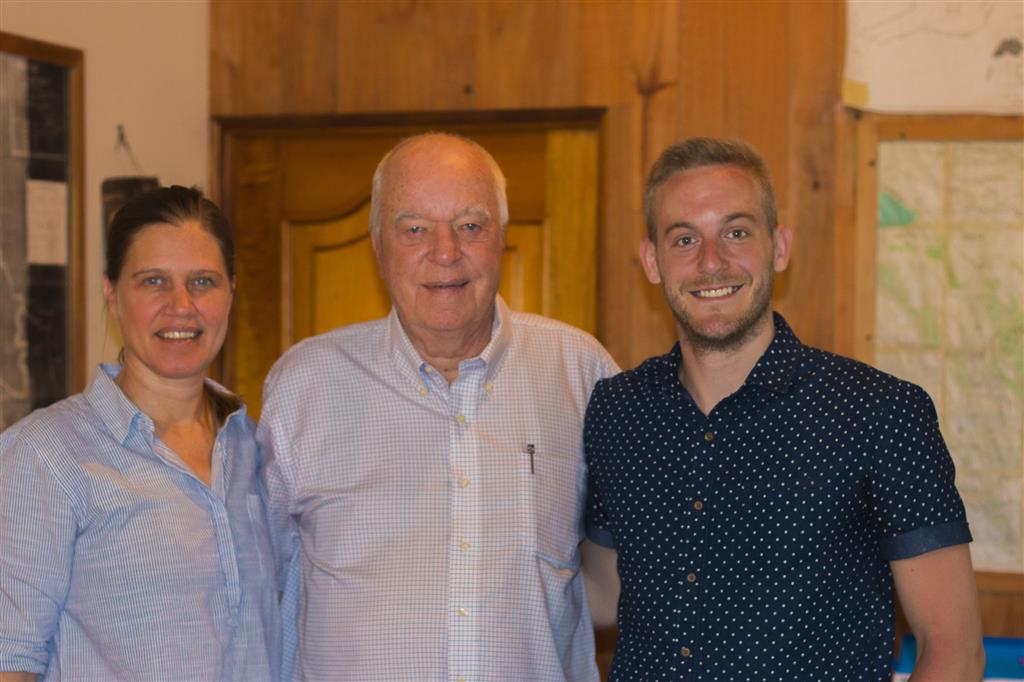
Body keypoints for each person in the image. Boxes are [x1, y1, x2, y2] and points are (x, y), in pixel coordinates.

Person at [582, 138, 986, 681]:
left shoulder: (880, 412)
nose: (710, 261)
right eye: (684, 239)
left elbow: (953, 649)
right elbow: (602, 592)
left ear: (779, 247)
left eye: (736, 232)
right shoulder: (618, 410)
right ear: (652, 261)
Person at [258, 132, 619, 681]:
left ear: (502, 239)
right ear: (378, 246)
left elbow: (633, 570)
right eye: (415, 229)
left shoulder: (580, 373)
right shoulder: (304, 385)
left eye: (471, 226)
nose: (445, 251)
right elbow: (261, 591)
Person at [0, 187, 281, 681]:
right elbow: (10, 658)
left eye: (203, 282)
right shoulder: (46, 454)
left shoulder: (258, 451)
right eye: (154, 281)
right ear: (112, 293)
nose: (182, 305)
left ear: (231, 292)